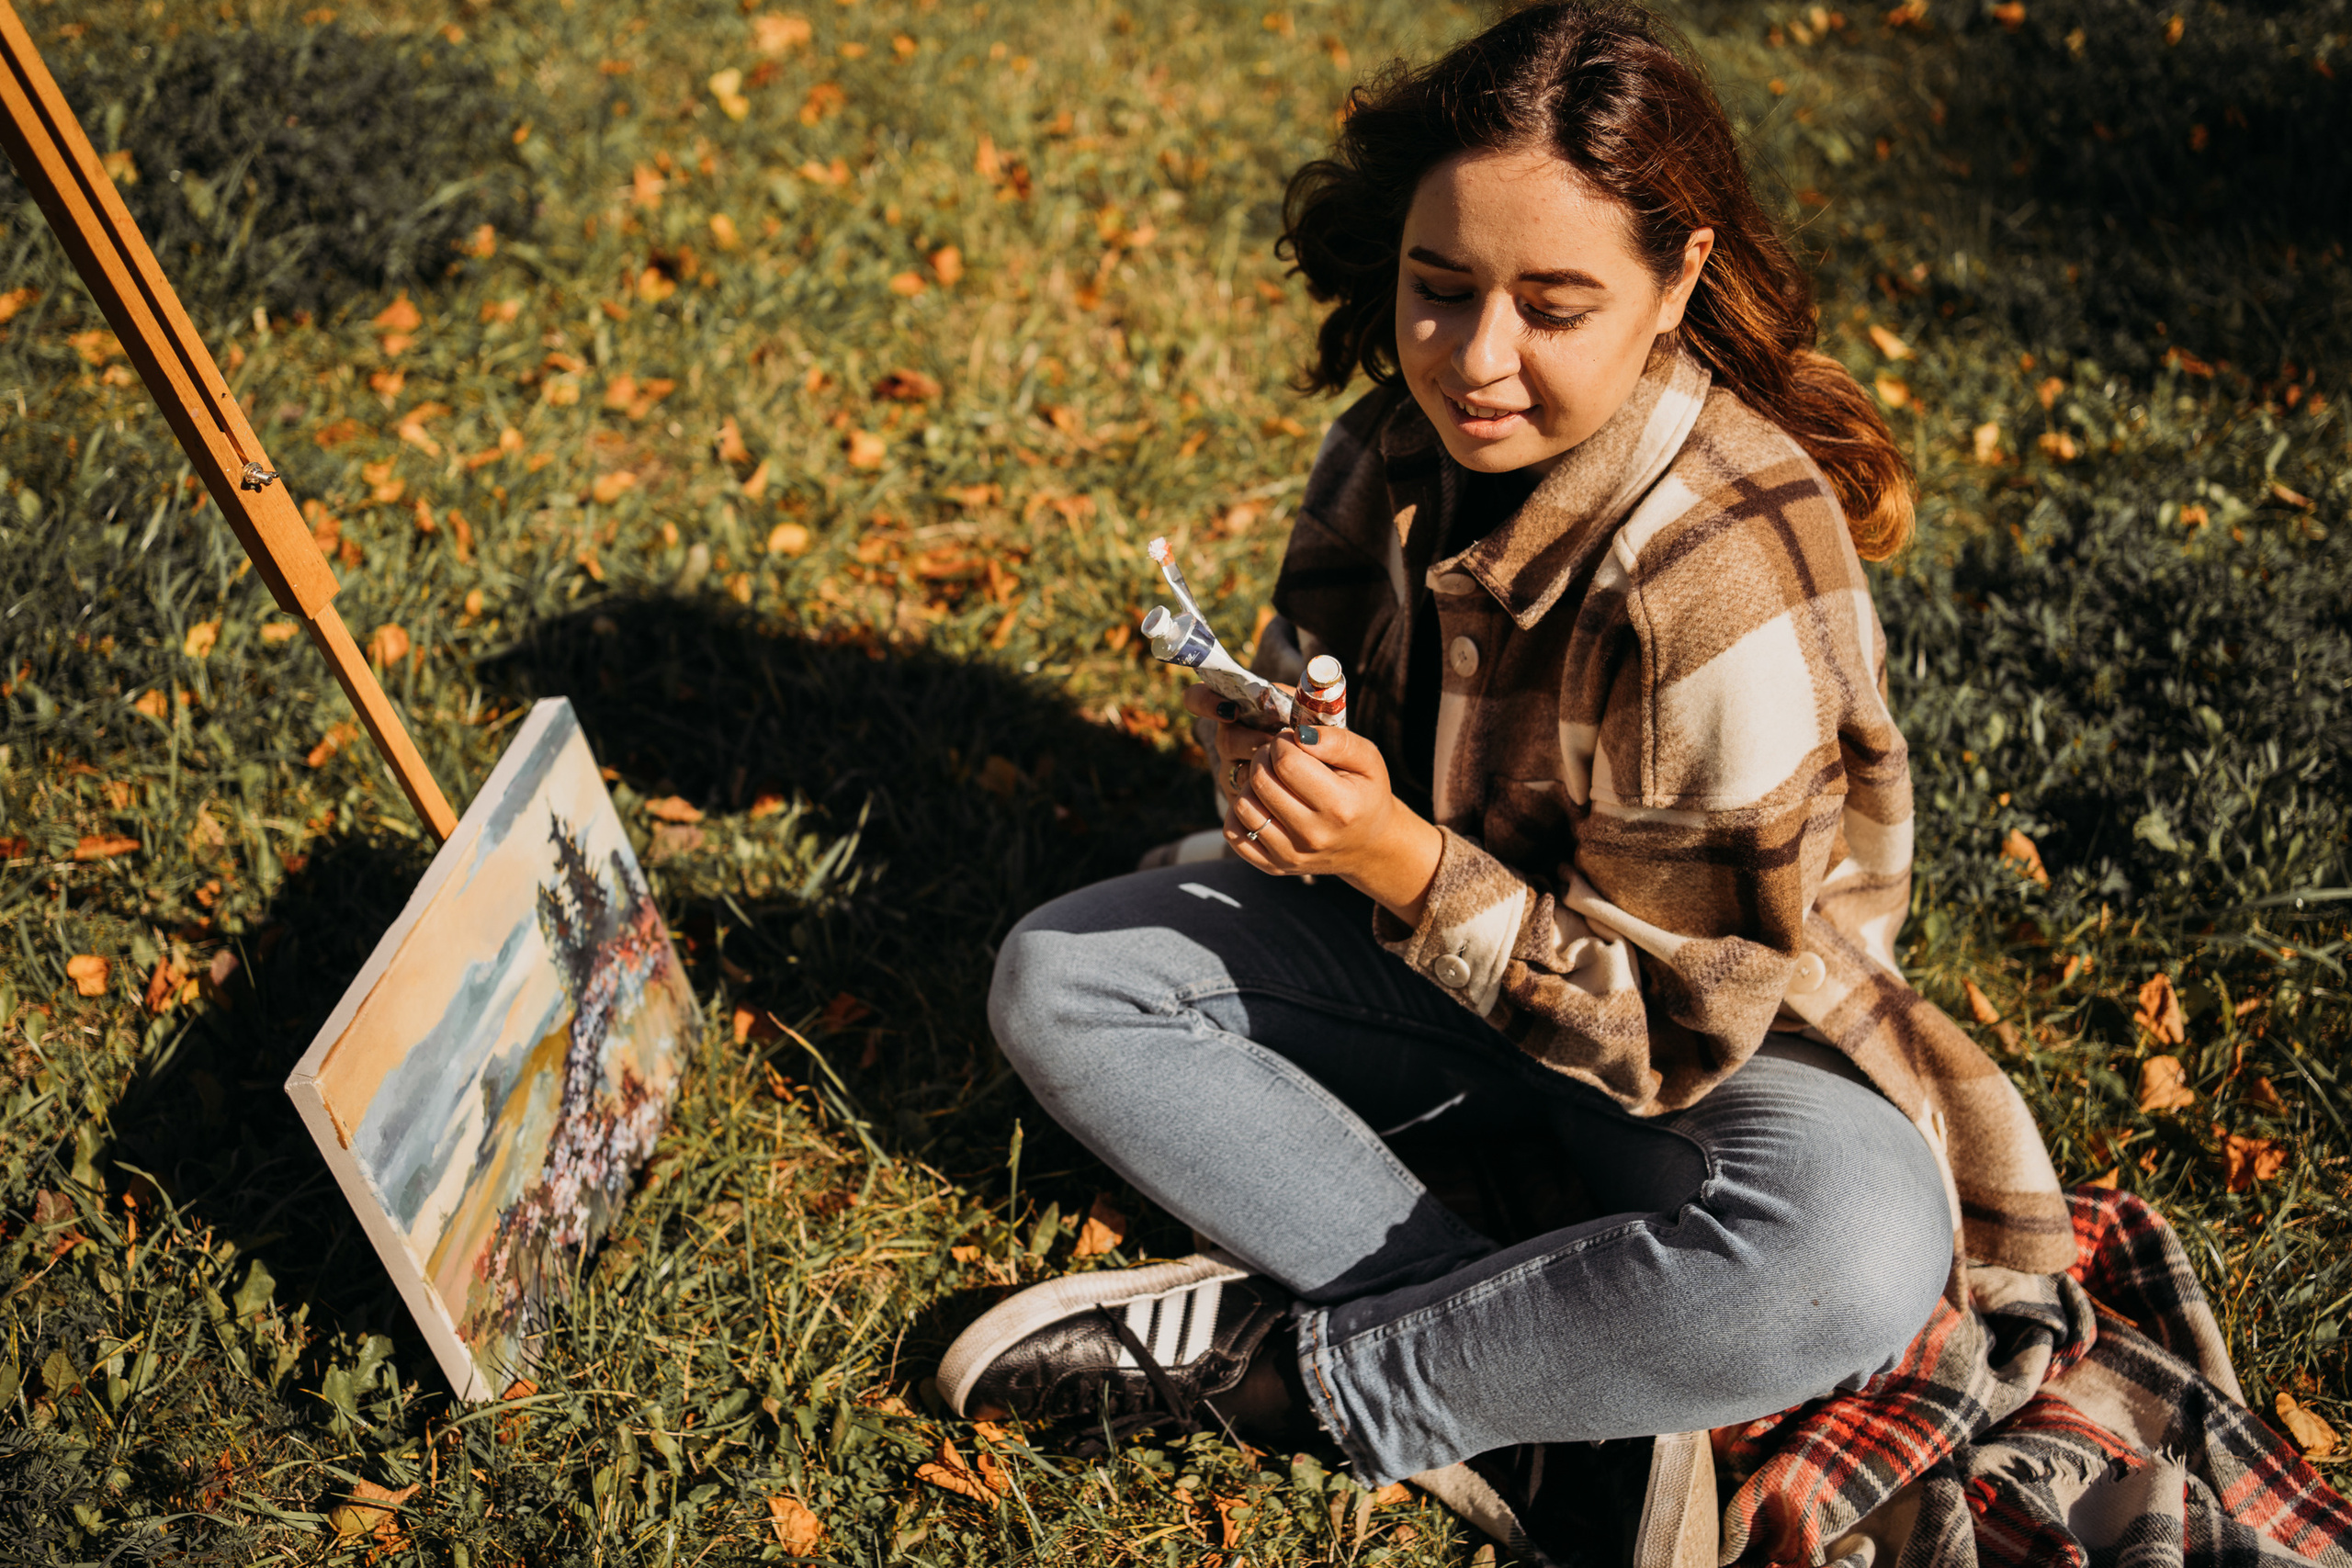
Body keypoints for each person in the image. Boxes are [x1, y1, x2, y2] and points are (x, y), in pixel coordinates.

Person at [937, 4, 2073, 1560]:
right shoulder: (1393, 449)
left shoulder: (1720, 570)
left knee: (1856, 1253)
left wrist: (1398, 856)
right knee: (1062, 978)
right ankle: (1561, 1365)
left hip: (1728, 1050)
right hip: (1445, 981)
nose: (1478, 361)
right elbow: (1306, 680)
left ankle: (1311, 1382)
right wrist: (1268, 755)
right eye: (1440, 287)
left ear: (1674, 284)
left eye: (1553, 305)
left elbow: (1679, 1028)